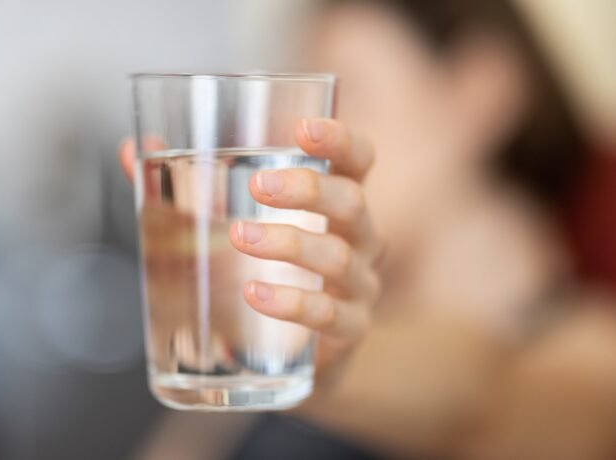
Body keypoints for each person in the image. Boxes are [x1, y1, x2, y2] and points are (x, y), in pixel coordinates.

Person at [121, 0, 616, 458]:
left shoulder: (586, 351)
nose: (292, 137)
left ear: (481, 87)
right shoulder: (279, 331)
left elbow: (485, 400)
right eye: (288, 107)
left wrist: (323, 368)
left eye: (345, 91)